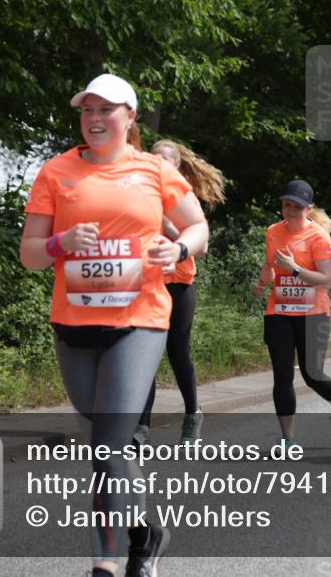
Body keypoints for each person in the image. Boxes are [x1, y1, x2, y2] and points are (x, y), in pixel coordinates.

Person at [20, 74, 208, 577]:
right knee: (109, 450)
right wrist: (63, 244)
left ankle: (106, 563)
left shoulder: (153, 170)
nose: (96, 119)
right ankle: (146, 532)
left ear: (130, 117)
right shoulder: (56, 172)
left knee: (107, 443)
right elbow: (30, 254)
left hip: (139, 320)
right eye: (88, 110)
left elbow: (198, 226)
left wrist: (179, 247)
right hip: (74, 325)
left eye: (107, 110)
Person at [134, 139, 226, 445]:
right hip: (148, 285)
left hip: (179, 285)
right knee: (146, 354)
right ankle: (141, 427)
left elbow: (201, 248)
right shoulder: (139, 197)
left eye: (164, 161)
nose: (158, 165)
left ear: (176, 166)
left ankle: (192, 414)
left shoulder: (184, 200)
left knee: (177, 352)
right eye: (154, 159)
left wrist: (167, 225)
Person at [251, 180, 331, 448]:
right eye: (286, 205)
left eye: (296, 206)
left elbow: (326, 280)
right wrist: (262, 282)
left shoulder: (318, 236)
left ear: (309, 208)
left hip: (313, 313)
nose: (290, 210)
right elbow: (270, 265)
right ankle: (288, 439)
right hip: (279, 310)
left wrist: (295, 269)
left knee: (312, 374)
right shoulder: (272, 231)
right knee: (282, 375)